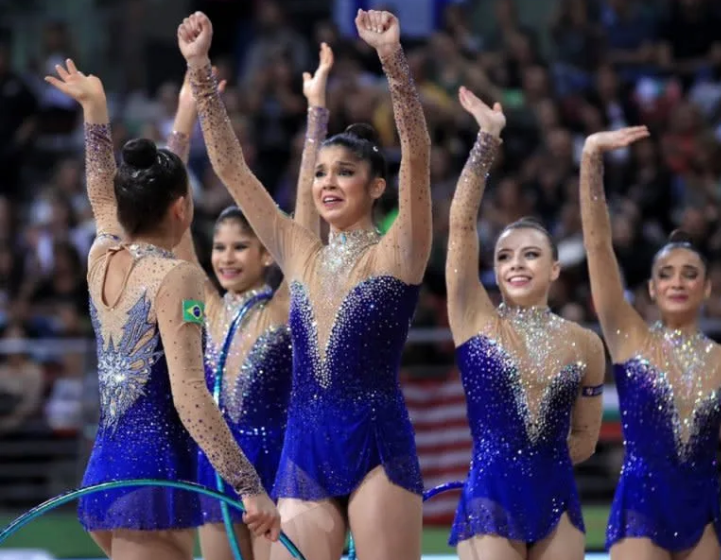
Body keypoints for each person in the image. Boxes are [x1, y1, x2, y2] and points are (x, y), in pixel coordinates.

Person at [179, 9, 431, 560]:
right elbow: (232, 171)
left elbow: (417, 156)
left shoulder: (400, 250)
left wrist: (391, 58)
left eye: (344, 172)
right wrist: (200, 70)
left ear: (377, 186)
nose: (328, 183)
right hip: (303, 449)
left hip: (376, 442)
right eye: (320, 172)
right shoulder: (300, 252)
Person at [44, 59, 279, 560]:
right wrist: (249, 486)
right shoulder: (179, 277)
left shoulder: (99, 255)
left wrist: (96, 112)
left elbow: (103, 195)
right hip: (152, 479)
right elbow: (190, 394)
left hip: (108, 472)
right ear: (181, 209)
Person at [577, 126, 721, 559]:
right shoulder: (629, 337)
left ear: (707, 288)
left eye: (690, 273)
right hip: (640, 509)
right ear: (651, 289)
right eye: (666, 274)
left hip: (701, 513)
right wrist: (591, 157)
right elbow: (597, 245)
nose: (677, 282)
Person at [167, 45, 333, 560]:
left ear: (267, 256)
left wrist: (316, 113)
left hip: (278, 458)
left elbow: (306, 218)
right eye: (219, 247)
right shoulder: (209, 307)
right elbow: (172, 225)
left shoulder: (283, 304)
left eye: (241, 247)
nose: (226, 257)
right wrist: (185, 117)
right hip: (218, 462)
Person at [446, 86, 605, 560]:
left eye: (531, 255)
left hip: (558, 503)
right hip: (491, 499)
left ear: (555, 269)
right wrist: (485, 142)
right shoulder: (474, 320)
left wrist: (541, 460)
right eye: (505, 257)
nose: (517, 264)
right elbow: (459, 227)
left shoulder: (585, 344)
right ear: (494, 270)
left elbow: (587, 439)